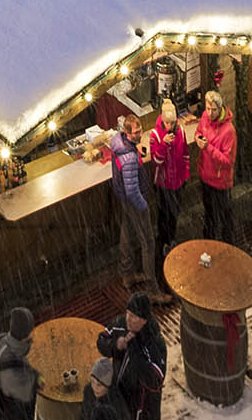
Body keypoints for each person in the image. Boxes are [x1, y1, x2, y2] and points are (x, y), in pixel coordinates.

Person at [102, 124, 156, 285]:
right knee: (148, 242)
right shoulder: (129, 158)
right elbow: (132, 190)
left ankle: (127, 275)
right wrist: (143, 205)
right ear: (127, 133)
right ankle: (152, 287)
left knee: (126, 232)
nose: (140, 134)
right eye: (137, 132)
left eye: (140, 130)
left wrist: (134, 149)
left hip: (124, 199)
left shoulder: (119, 144)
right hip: (134, 201)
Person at [145, 97, 188, 254]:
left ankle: (172, 238)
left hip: (178, 181)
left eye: (172, 123)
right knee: (164, 214)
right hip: (163, 183)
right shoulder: (155, 135)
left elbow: (185, 154)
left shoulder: (181, 131)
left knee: (175, 212)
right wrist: (164, 144)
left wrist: (186, 174)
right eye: (167, 123)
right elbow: (156, 160)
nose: (169, 126)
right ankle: (164, 241)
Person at [194, 90, 238, 244]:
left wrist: (208, 148)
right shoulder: (205, 118)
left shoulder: (229, 131)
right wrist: (198, 138)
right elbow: (198, 132)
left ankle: (228, 245)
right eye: (208, 108)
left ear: (220, 109)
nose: (210, 113)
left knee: (225, 216)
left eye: (213, 110)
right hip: (205, 176)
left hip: (220, 182)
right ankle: (209, 243)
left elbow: (228, 161)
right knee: (209, 214)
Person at [118, 294, 169, 420]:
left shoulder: (154, 343)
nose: (128, 319)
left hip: (143, 406)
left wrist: (134, 350)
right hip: (128, 397)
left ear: (144, 320)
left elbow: (156, 380)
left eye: (133, 316)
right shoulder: (132, 330)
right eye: (127, 313)